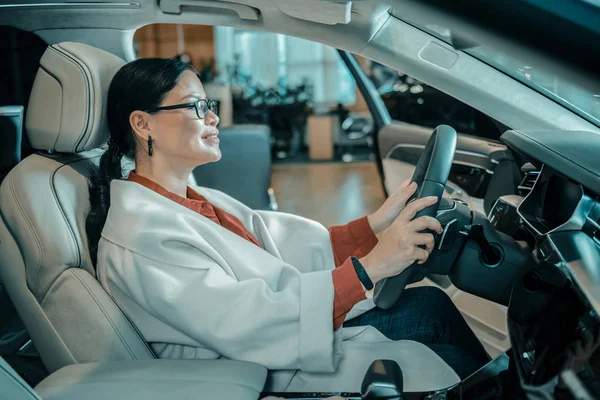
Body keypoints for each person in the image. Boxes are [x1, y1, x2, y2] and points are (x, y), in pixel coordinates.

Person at [86, 58, 490, 392]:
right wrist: (372, 267)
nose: (213, 118)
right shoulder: (141, 234)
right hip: (257, 367)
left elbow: (275, 241)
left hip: (287, 331)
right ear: (143, 124)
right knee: (453, 363)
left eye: (210, 105)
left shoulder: (188, 197)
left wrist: (375, 224)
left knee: (432, 305)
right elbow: (243, 322)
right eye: (196, 107)